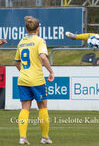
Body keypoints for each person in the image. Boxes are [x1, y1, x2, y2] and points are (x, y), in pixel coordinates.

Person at [14, 16, 54, 145]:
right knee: (42, 106)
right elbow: (43, 57)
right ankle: (45, 137)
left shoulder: (21, 41)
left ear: (27, 29)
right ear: (38, 29)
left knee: (25, 108)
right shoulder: (39, 41)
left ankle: (22, 137)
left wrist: (24, 72)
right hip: (36, 79)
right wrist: (51, 71)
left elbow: (16, 62)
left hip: (23, 79)